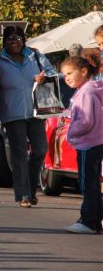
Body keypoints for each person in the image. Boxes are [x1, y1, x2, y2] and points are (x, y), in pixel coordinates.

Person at [0, 26, 56, 207]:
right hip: (13, 114)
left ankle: (30, 188)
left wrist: (44, 78)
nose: (15, 42)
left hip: (37, 112)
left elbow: (54, 73)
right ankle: (23, 195)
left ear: (24, 39)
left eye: (18, 38)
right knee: (19, 154)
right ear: (4, 41)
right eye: (11, 39)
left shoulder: (35, 56)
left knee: (40, 150)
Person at [61, 55, 103, 234]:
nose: (67, 78)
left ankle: (89, 221)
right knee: (92, 183)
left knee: (88, 184)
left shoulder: (86, 92)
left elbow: (85, 121)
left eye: (70, 73)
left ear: (84, 72)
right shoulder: (90, 90)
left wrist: (71, 133)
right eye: (65, 75)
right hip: (95, 142)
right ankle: (94, 219)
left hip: (88, 143)